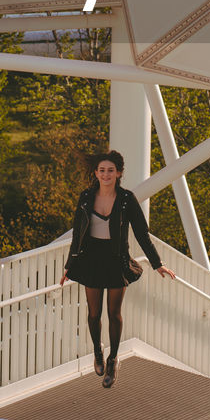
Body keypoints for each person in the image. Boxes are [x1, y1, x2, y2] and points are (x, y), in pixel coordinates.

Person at [59, 150, 175, 388]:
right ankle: (98, 352)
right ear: (96, 173)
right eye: (102, 170)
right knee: (93, 313)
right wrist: (69, 267)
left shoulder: (126, 199)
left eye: (110, 170)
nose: (106, 174)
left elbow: (142, 234)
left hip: (115, 260)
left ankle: (112, 360)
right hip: (90, 259)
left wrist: (158, 264)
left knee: (114, 313)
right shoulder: (86, 197)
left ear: (119, 173)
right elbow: (76, 235)